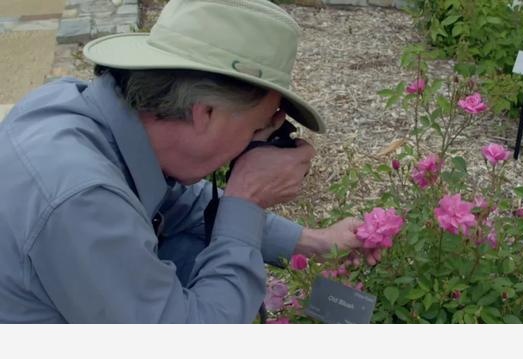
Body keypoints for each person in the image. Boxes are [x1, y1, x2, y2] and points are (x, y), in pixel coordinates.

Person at [0, 0, 365, 323]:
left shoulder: (77, 107)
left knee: (193, 246)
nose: (259, 142)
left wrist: (313, 242)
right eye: (258, 126)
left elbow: (179, 202)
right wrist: (247, 199)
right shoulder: (84, 200)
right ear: (206, 112)